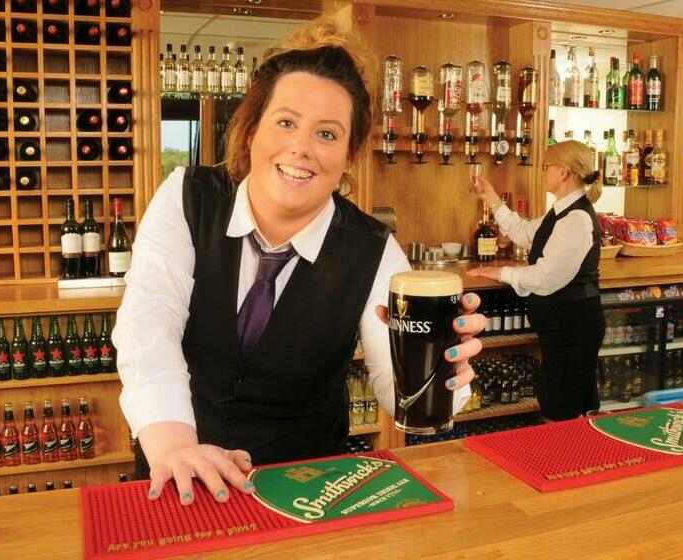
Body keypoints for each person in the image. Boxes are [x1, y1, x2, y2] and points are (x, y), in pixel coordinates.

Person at [113, 17, 485, 507]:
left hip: (309, 493)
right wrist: (175, 447)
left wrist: (445, 371)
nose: (302, 147)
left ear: (349, 156)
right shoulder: (187, 199)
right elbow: (148, 326)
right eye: (286, 122)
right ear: (251, 129)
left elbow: (398, 393)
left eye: (327, 134)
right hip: (183, 475)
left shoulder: (373, 250)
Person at [468, 140, 605, 422]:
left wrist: (500, 273)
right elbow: (523, 232)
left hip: (574, 328)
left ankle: (570, 452)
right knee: (560, 404)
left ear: (563, 172)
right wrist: (491, 198)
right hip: (563, 327)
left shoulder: (577, 219)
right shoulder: (561, 212)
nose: (541, 172)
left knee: (562, 410)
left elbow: (545, 277)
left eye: (546, 167)